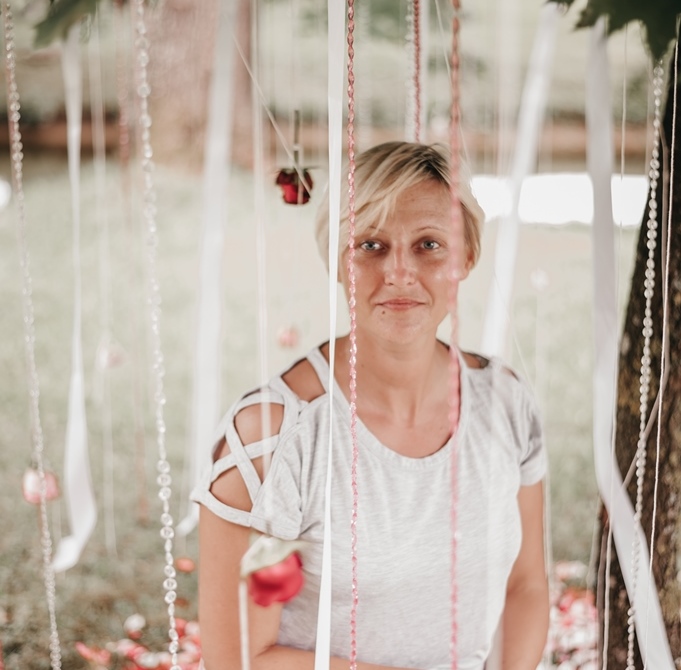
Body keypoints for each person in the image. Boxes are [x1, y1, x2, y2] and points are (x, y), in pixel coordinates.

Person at [191, 141, 549, 670]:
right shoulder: (272, 440)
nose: (399, 272)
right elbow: (239, 660)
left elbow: (525, 586)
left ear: (466, 257)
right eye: (371, 245)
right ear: (338, 261)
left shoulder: (505, 403)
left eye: (429, 244)